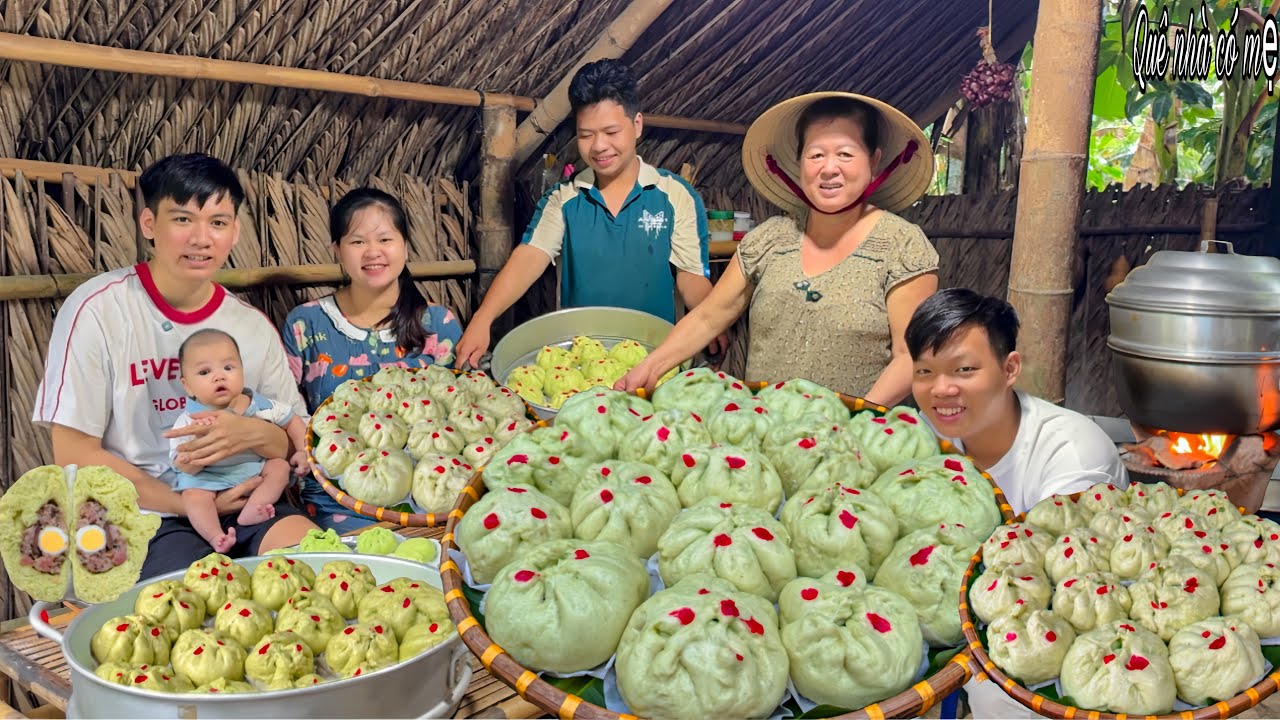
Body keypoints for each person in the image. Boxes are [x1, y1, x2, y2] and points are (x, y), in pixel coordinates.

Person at [34, 152, 319, 579]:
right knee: (199, 609)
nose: (202, 238)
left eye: (218, 223)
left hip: (249, 498)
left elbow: (295, 440)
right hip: (146, 513)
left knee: (318, 570)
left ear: (235, 231)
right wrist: (187, 502)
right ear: (149, 224)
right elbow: (74, 454)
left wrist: (258, 434)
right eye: (183, 219)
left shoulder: (250, 326)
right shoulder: (98, 310)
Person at [616, 92, 939, 404]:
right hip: (765, 434)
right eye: (815, 155)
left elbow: (908, 356)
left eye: (845, 153)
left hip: (853, 445)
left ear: (875, 160)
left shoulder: (901, 246)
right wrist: (650, 368)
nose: (829, 168)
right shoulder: (769, 240)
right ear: (799, 163)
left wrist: (855, 421)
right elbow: (708, 318)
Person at [906, 288, 1128, 719]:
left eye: (964, 369)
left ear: (1010, 369)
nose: (941, 389)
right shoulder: (923, 436)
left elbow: (1069, 591)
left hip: (1064, 641)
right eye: (925, 371)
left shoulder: (1073, 458)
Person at [454, 58, 721, 370]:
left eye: (610, 131)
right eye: (586, 134)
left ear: (637, 124)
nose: (599, 146)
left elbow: (691, 276)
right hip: (580, 364)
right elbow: (529, 257)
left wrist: (714, 319)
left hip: (656, 361)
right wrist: (482, 318)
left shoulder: (675, 196)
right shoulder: (564, 198)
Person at [283, 187, 462, 533]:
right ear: (336, 250)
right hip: (331, 501)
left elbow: (460, 416)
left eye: (385, 239)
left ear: (406, 245)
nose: (373, 253)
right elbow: (287, 410)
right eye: (357, 242)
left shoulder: (439, 325)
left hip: (432, 508)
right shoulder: (307, 323)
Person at [170, 329, 310, 552]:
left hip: (253, 473)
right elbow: (183, 466)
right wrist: (195, 451)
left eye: (228, 368)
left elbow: (292, 419)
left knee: (279, 467)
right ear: (187, 386)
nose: (219, 376)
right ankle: (216, 536)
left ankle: (253, 510)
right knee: (193, 496)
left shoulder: (258, 405)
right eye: (205, 372)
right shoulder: (189, 420)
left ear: (242, 371)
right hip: (209, 479)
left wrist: (302, 451)